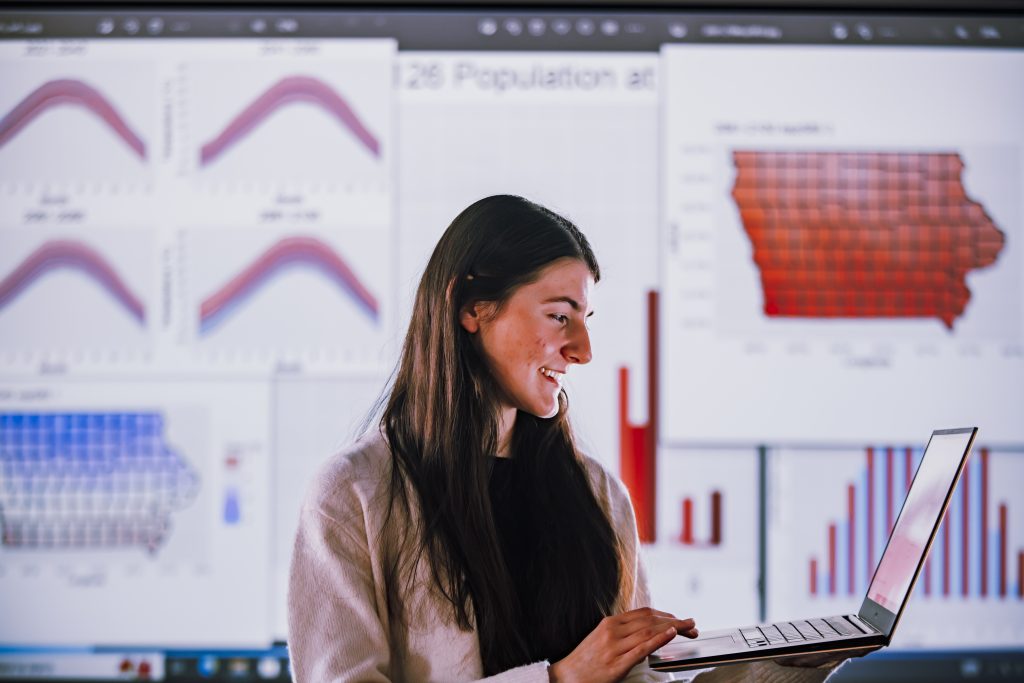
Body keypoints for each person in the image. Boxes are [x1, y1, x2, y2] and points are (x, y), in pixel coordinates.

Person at [288, 195, 863, 682]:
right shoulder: (352, 496)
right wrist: (560, 679)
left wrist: (785, 663)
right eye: (560, 316)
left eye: (586, 319)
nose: (583, 350)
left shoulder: (596, 493)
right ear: (472, 308)